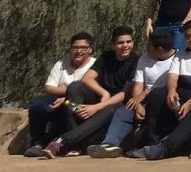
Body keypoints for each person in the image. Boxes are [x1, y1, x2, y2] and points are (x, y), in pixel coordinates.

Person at [39, 27, 138, 159]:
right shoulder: (106, 57)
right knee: (74, 88)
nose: (125, 46)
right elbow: (86, 78)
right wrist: (104, 93)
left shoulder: (136, 60)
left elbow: (124, 94)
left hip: (116, 105)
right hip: (99, 100)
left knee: (111, 109)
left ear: (133, 43)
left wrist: (97, 107)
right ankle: (76, 145)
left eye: (128, 42)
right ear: (113, 45)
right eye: (121, 43)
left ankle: (62, 141)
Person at [136, 19, 191, 160]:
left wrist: (190, 102)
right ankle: (153, 141)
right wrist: (171, 91)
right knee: (157, 94)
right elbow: (172, 77)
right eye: (187, 37)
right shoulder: (181, 54)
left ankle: (167, 147)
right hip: (182, 92)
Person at [87, 31, 177, 159]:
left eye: (149, 46)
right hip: (143, 99)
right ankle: (109, 145)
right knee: (124, 111)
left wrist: (146, 94)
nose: (146, 48)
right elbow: (138, 84)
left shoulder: (178, 59)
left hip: (161, 100)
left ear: (160, 49)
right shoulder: (144, 59)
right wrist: (137, 104)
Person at [25, 33, 97, 157]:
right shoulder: (61, 64)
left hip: (81, 103)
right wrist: (67, 93)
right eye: (75, 48)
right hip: (58, 99)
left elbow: (91, 90)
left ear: (90, 49)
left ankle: (72, 144)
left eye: (83, 48)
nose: (78, 51)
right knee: (37, 105)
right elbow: (48, 87)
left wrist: (67, 96)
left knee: (71, 103)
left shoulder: (95, 65)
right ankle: (37, 142)